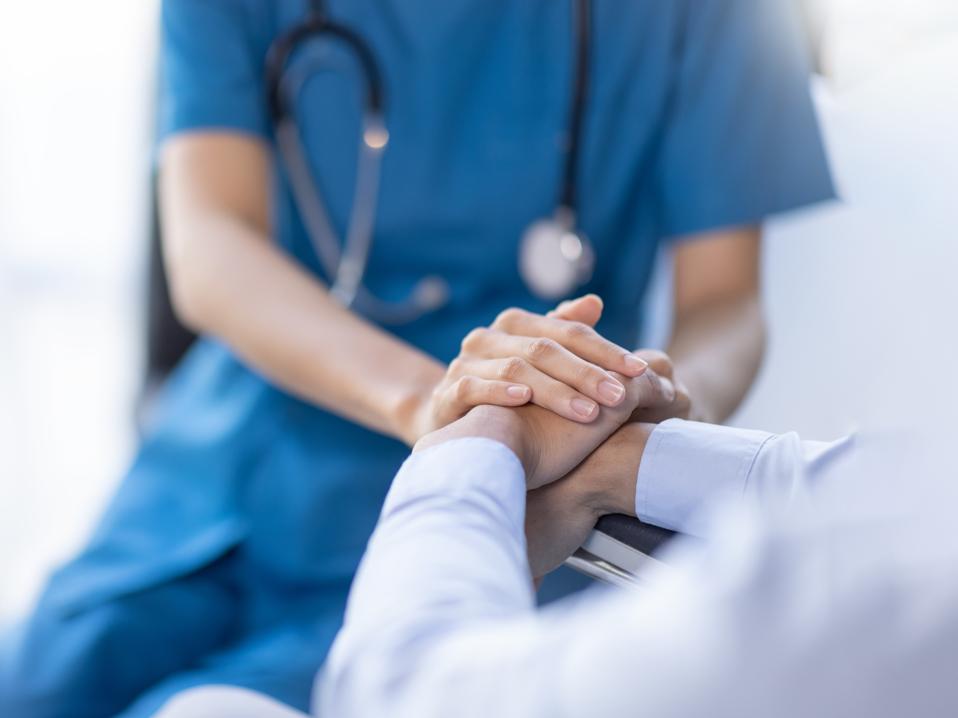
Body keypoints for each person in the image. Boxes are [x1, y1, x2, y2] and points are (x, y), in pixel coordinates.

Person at [0, 0, 833, 715]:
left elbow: (724, 303)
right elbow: (210, 247)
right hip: (233, 466)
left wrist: (647, 410)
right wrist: (439, 404)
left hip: (517, 503)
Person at [156, 384, 957, 717]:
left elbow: (401, 694)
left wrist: (475, 440)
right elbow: (883, 485)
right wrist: (623, 464)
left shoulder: (855, 602)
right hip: (263, 453)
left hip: (452, 506)